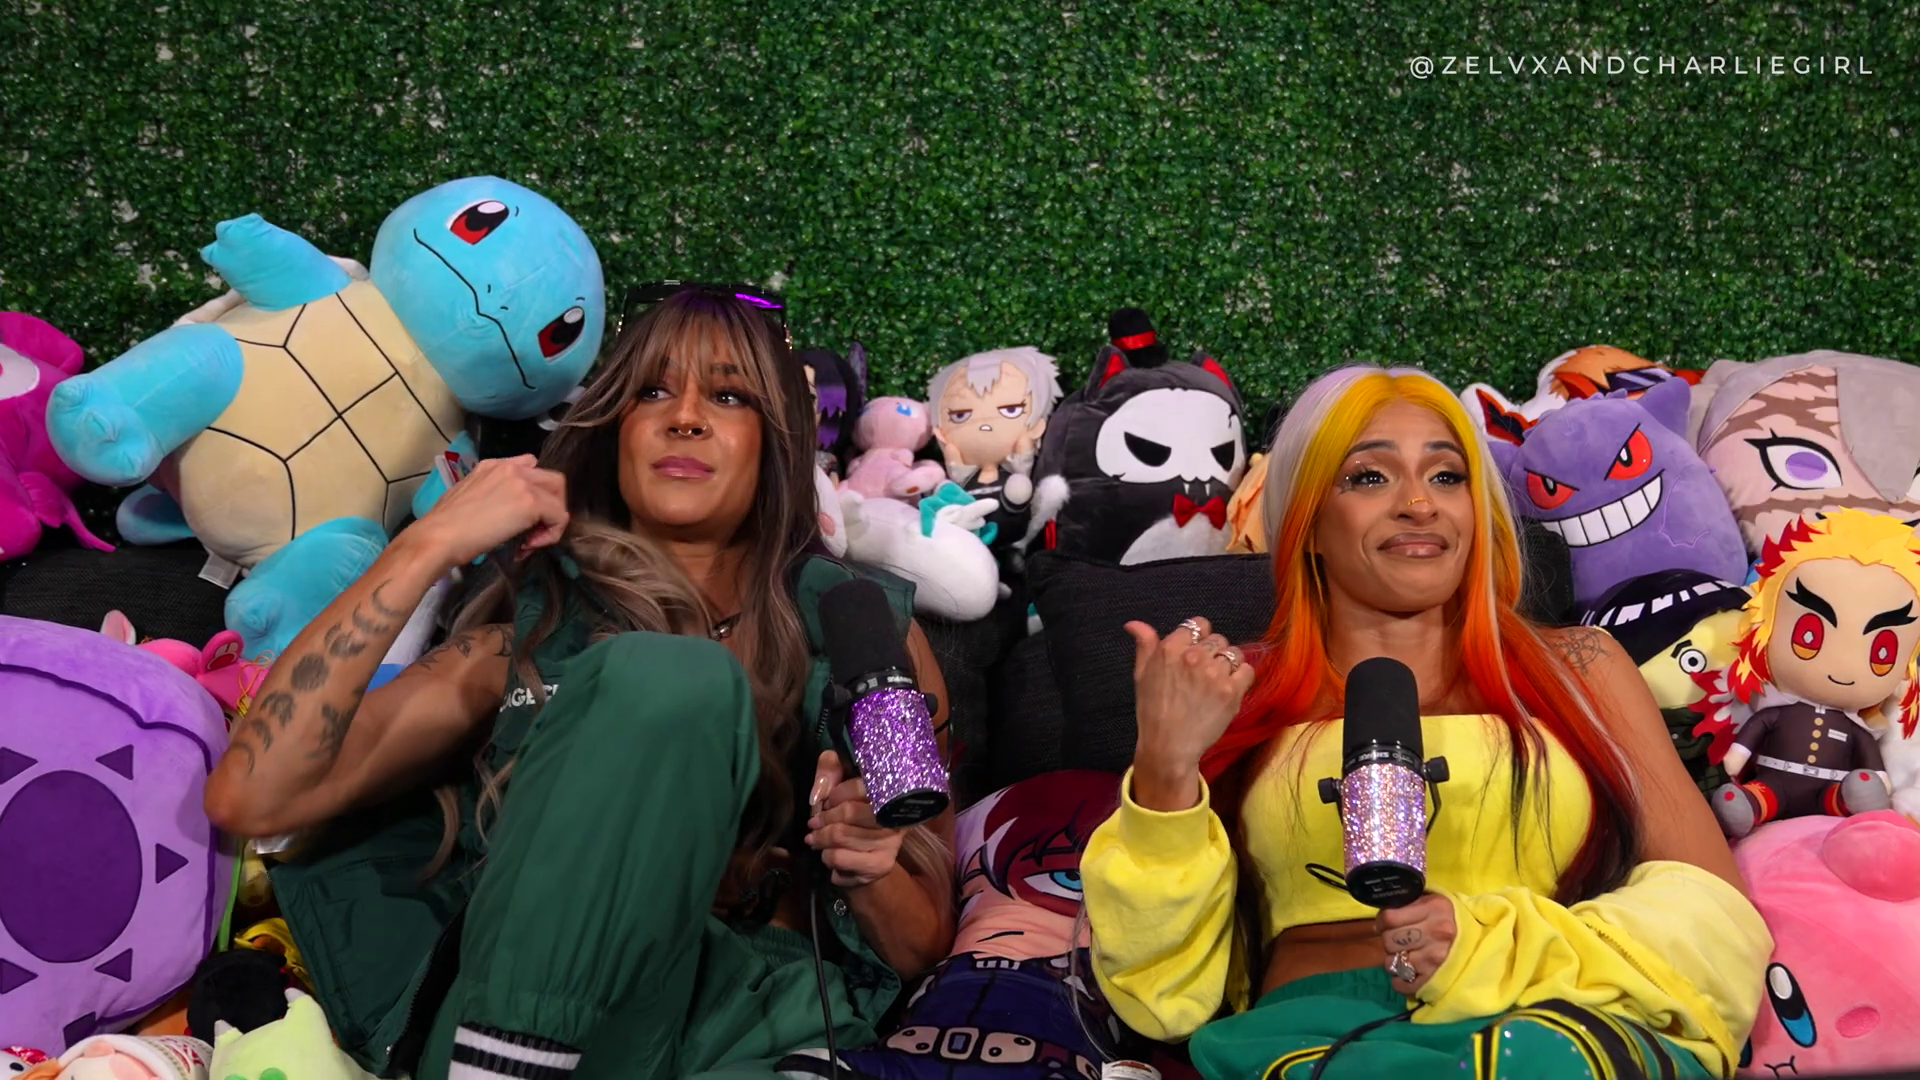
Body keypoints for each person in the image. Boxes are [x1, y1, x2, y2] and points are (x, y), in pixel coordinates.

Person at [204, 287, 957, 1080]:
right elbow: (252, 800)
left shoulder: (865, 635)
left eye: (729, 396)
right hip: (520, 1023)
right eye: (652, 392)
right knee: (672, 677)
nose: (685, 417)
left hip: (746, 1027)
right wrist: (429, 544)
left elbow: (921, 947)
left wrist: (871, 866)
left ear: (776, 440)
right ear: (614, 433)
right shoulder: (523, 645)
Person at [1080, 366, 1773, 1078]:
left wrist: (1494, 946)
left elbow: (1715, 922)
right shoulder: (1230, 689)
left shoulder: (1581, 667)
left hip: (1548, 1030)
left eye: (1446, 477)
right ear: (1308, 522)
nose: (1418, 504)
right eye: (1369, 478)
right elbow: (1161, 994)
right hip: (1306, 1047)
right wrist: (1164, 769)